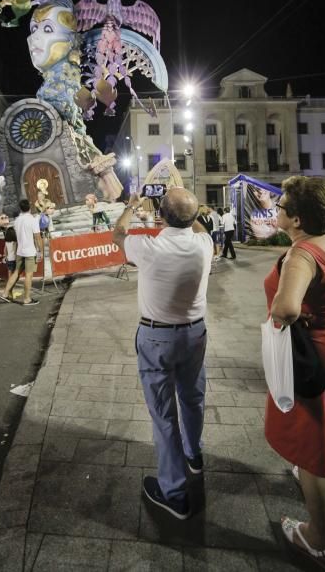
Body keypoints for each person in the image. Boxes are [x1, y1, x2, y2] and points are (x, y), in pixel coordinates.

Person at [264, 176, 325, 569]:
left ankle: (320, 541)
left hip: (312, 357)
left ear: (297, 219)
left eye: (282, 207)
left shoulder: (302, 255)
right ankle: (323, 491)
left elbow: (284, 309)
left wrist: (290, 320)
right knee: (324, 430)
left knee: (313, 447)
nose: (277, 210)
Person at [113, 187, 213, 520]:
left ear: (161, 215)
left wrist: (130, 205)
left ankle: (173, 492)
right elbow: (199, 226)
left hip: (157, 337)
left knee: (163, 413)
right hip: (195, 333)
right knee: (192, 398)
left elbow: (118, 233)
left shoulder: (149, 248)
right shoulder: (205, 244)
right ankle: (193, 455)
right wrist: (190, 207)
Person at [0, 199, 42, 306]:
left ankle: (5, 293)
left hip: (20, 251)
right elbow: (38, 237)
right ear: (29, 207)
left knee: (16, 272)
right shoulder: (32, 220)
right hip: (30, 251)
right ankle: (27, 299)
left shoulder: (17, 220)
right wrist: (40, 251)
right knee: (29, 275)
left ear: (20, 208)